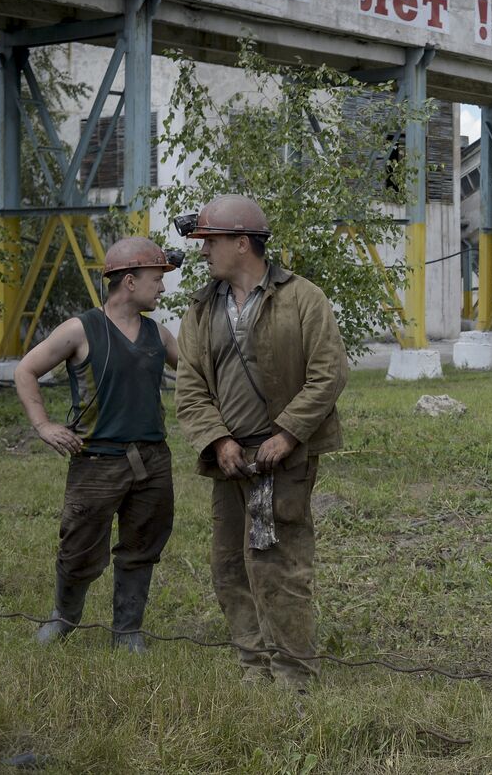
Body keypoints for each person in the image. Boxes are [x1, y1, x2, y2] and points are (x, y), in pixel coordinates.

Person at [173, 195, 348, 690]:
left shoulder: (304, 299)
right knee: (229, 566)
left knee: (280, 568)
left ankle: (294, 679)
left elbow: (329, 374)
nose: (203, 251)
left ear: (242, 243)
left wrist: (289, 432)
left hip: (282, 459)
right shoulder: (202, 308)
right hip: (229, 460)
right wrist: (218, 441)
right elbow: (190, 386)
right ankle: (255, 670)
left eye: (211, 241)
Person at [14, 237, 180, 653]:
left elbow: (199, 371)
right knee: (79, 547)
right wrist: (43, 425)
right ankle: (64, 619)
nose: (162, 288)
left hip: (152, 461)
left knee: (143, 546)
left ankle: (127, 631)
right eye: (156, 279)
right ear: (129, 281)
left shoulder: (159, 334)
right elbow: (26, 370)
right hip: (96, 462)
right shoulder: (80, 329)